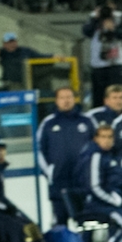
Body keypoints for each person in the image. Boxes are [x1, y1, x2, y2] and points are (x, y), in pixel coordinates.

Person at [36, 86, 92, 224]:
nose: (66, 101)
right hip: (59, 182)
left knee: (86, 222)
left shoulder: (87, 121)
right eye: (62, 98)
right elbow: (38, 150)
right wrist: (49, 172)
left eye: (69, 97)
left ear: (74, 99)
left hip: (83, 181)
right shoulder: (48, 123)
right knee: (60, 222)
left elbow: (97, 147)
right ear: (56, 101)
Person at [87, 84, 122, 183]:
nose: (119, 101)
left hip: (118, 174)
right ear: (106, 100)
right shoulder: (93, 117)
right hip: (96, 173)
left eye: (121, 97)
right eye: (114, 98)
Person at [82, 4, 122, 108]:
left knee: (116, 94)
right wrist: (95, 19)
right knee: (99, 96)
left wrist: (114, 29)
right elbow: (86, 32)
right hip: (98, 65)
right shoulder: (93, 17)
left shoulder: (118, 17)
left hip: (115, 63)